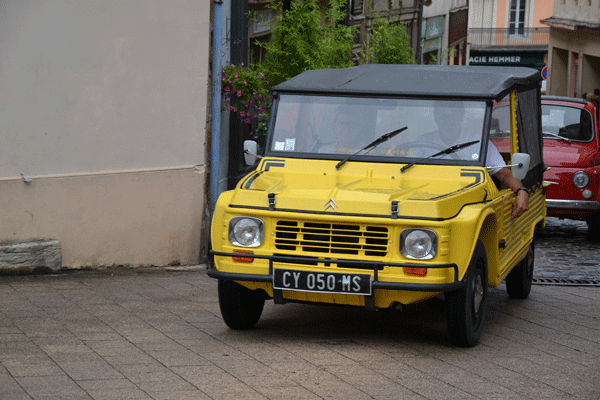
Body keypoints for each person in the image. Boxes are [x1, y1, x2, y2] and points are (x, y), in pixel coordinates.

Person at [431, 102, 529, 219]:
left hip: (468, 204)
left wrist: (521, 191)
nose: (448, 123)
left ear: (461, 117)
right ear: (436, 118)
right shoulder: (423, 142)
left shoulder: (478, 142)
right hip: (428, 198)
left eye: (452, 117)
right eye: (444, 117)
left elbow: (504, 174)